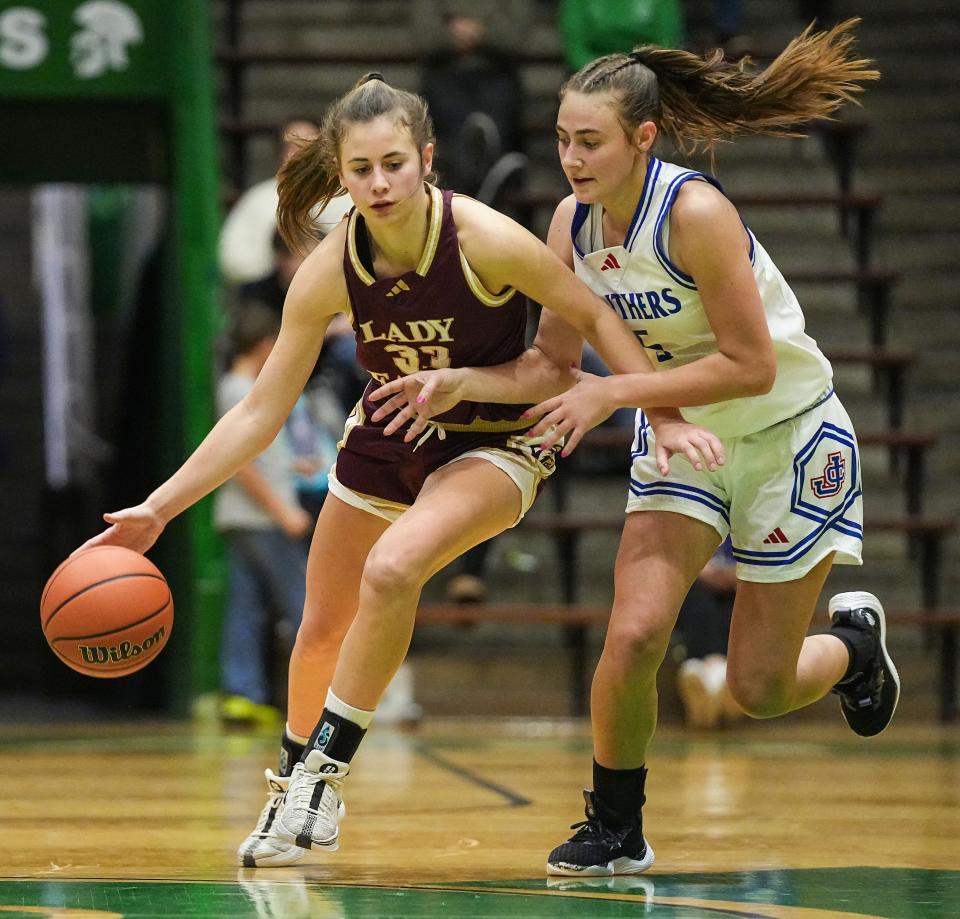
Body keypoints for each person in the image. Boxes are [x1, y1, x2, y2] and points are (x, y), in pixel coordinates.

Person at [76, 73, 720, 868]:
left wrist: (660, 412)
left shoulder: (483, 238)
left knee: (396, 564)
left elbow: (590, 317)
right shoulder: (328, 269)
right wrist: (160, 507)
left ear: (426, 160)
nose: (378, 184)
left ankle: (323, 773)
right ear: (339, 175)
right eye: (360, 169)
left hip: (499, 434)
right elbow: (257, 411)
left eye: (393, 164)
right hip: (392, 428)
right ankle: (293, 797)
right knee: (318, 627)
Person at [372, 20, 900, 877]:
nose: (572, 159)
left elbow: (750, 364)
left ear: (642, 139)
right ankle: (616, 826)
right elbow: (551, 365)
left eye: (590, 142)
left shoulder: (695, 212)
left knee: (755, 690)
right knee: (636, 632)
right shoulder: (572, 224)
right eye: (561, 140)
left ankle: (853, 649)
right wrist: (463, 381)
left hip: (785, 434)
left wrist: (615, 392)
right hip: (677, 437)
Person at [213, 303, 312, 726]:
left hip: (242, 518)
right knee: (305, 606)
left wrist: (292, 467)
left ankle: (243, 694)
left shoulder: (234, 387)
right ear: (267, 344)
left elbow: (259, 456)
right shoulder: (242, 391)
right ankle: (314, 700)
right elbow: (241, 465)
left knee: (247, 606)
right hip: (263, 517)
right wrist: (283, 510)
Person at [219, 117, 353, 286]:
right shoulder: (257, 201)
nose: (303, 152)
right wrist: (282, 269)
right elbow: (232, 260)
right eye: (294, 145)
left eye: (310, 146)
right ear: (279, 152)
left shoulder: (348, 196)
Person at [674, 539, 739, 729]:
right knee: (696, 596)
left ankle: (700, 674)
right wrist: (700, 570)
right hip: (695, 581)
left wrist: (737, 574)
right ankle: (720, 679)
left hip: (743, 583)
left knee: (740, 599)